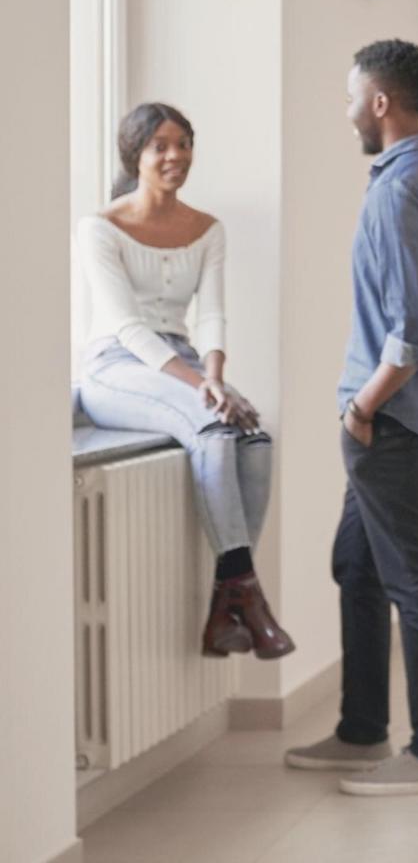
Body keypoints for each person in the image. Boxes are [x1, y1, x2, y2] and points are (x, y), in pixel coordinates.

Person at [284, 39, 418, 797]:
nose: (345, 113)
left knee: (413, 581)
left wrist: (364, 405)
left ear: (378, 103)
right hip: (407, 416)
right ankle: (362, 731)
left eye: (347, 98)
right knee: (356, 566)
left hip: (387, 418)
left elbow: (417, 326)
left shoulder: (398, 190)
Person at [79, 102, 293, 660]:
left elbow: (213, 315)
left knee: (255, 435)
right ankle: (246, 598)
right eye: (160, 146)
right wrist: (200, 384)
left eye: (184, 143)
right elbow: (126, 326)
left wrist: (215, 377)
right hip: (115, 367)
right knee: (216, 430)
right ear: (136, 156)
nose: (175, 156)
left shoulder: (208, 229)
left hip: (187, 364)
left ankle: (230, 599)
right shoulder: (100, 228)